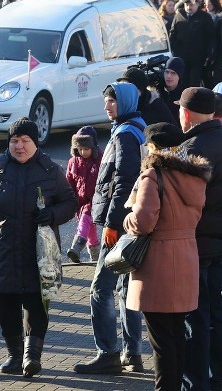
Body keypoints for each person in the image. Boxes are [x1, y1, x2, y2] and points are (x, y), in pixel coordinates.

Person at [0, 117, 77, 377]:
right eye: (14, 141)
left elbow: (70, 203)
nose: (19, 146)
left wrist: (52, 215)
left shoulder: (50, 170)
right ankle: (14, 355)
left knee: (36, 303)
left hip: (38, 254)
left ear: (35, 143)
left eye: (25, 141)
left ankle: (32, 355)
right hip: (1, 252)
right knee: (5, 304)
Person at [124, 123, 211, 391]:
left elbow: (143, 222)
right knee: (176, 335)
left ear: (151, 147)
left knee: (161, 340)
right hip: (186, 256)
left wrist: (127, 219)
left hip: (159, 262)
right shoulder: (195, 175)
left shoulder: (153, 176)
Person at [75, 82, 147, 375]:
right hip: (126, 223)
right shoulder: (133, 128)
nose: (107, 107)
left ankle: (108, 353)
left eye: (112, 102)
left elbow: (124, 182)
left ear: (126, 103)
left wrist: (113, 225)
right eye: (105, 101)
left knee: (100, 289)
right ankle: (132, 353)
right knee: (124, 289)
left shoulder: (126, 135)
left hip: (118, 226)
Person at [177, 87, 222, 390]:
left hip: (196, 244)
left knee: (196, 316)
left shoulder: (193, 147)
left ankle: (197, 381)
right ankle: (216, 375)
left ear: (186, 114)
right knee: (215, 312)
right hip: (221, 239)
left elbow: (184, 203)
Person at [66, 126, 104, 263]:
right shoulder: (73, 162)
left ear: (93, 147)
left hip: (95, 202)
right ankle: (96, 258)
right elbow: (69, 182)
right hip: (80, 202)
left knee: (85, 221)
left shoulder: (100, 160)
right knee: (91, 233)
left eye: (86, 149)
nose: (83, 152)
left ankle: (76, 246)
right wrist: (69, 199)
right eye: (80, 149)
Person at [158, 56, 186, 122]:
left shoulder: (184, 95)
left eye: (173, 73)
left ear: (179, 76)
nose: (169, 76)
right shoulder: (157, 93)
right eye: (167, 72)